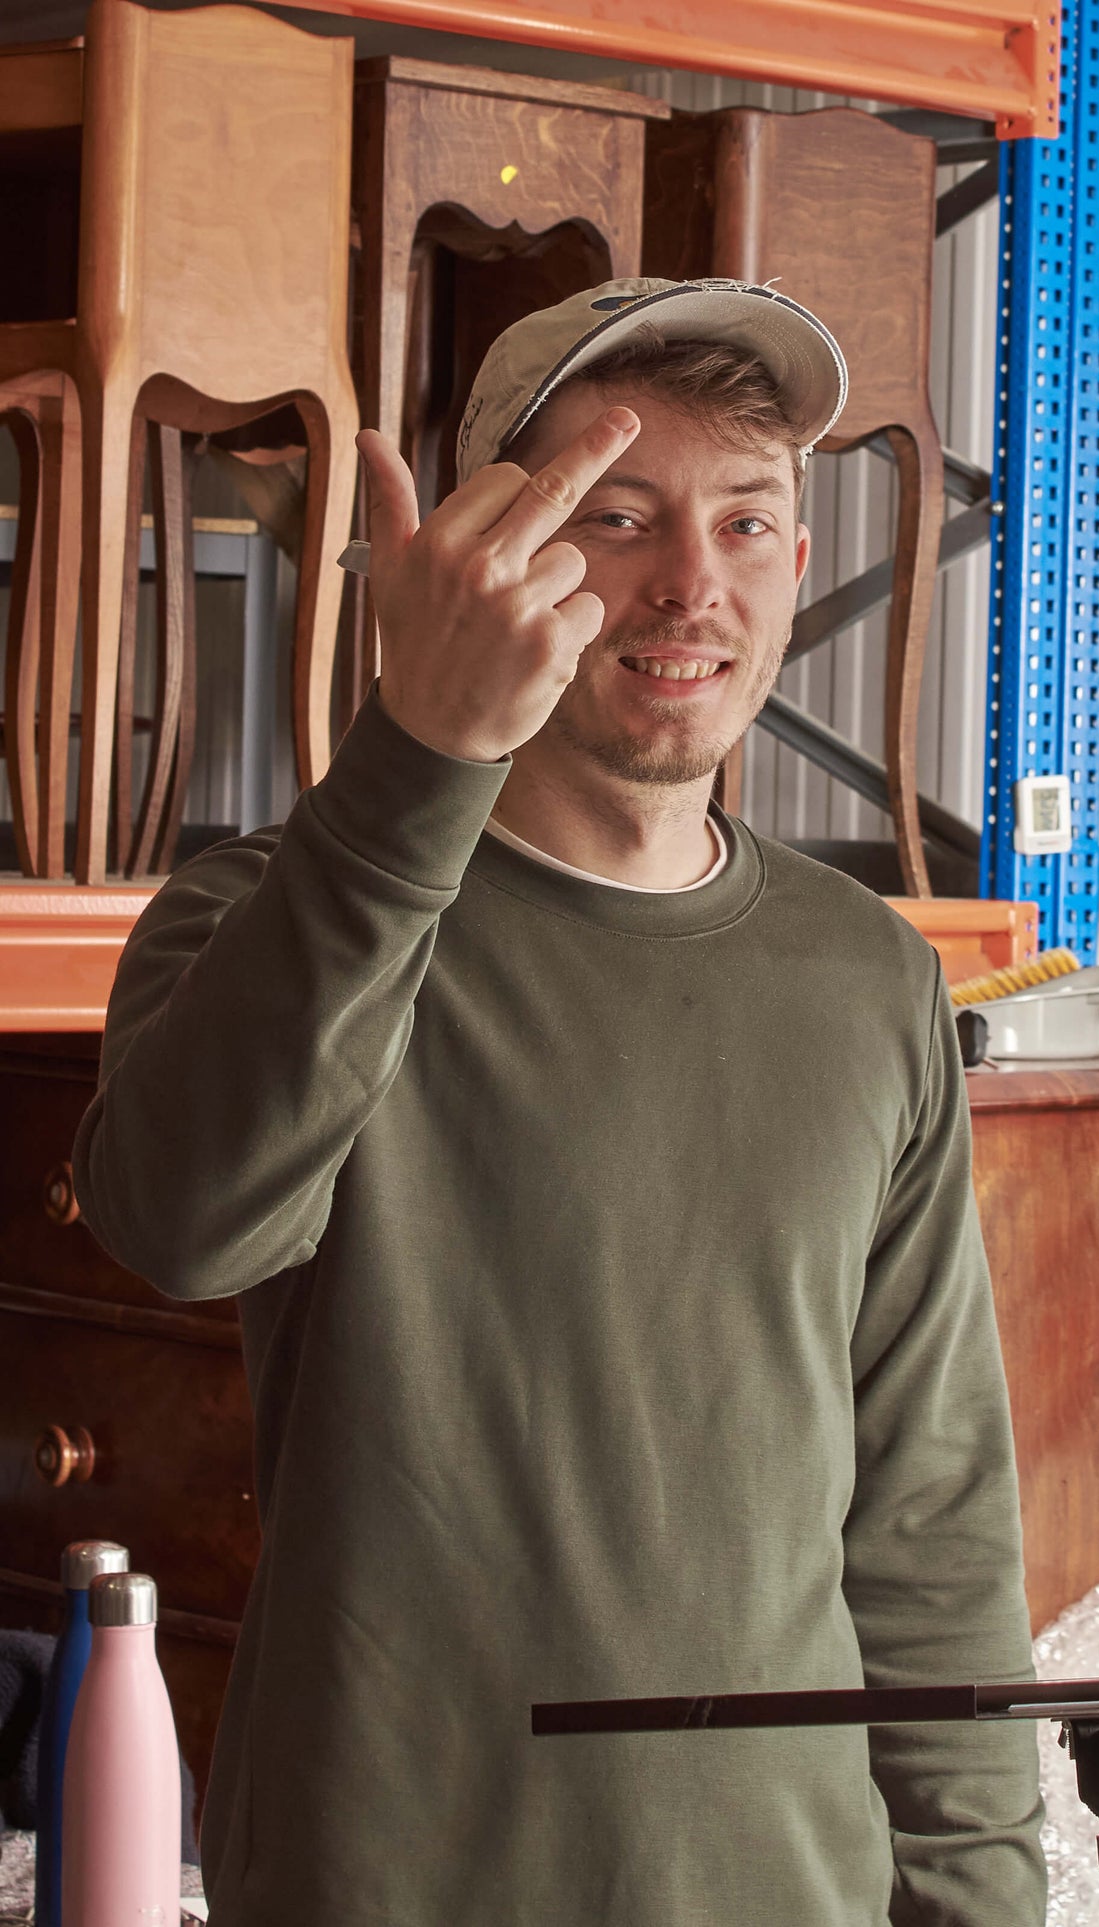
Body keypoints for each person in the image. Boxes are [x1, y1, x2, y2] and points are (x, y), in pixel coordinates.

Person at [73, 278, 1047, 1925]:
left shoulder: (863, 975)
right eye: (616, 517)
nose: (691, 584)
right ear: (485, 563)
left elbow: (929, 1515)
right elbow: (183, 1225)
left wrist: (980, 1902)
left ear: (797, 572)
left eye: (747, 524)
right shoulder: (272, 912)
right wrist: (414, 760)